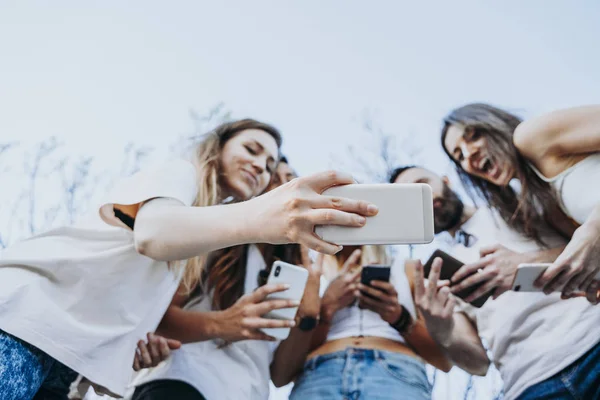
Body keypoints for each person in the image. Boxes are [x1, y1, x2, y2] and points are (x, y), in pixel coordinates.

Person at [0, 119, 378, 399]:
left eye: (269, 163)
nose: (261, 167)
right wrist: (266, 217)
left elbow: (142, 307)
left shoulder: (193, 247)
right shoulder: (181, 175)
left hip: (67, 363)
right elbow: (153, 233)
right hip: (26, 319)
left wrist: (137, 346)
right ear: (218, 147)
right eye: (251, 149)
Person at [392, 165, 600, 400]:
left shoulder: (513, 202)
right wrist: (441, 329)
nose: (424, 198)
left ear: (446, 180)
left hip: (592, 342)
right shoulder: (439, 276)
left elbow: (591, 246)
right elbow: (478, 365)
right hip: (529, 384)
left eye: (422, 184)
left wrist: (524, 263)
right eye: (411, 197)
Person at [127, 157, 323, 400]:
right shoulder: (220, 238)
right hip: (183, 383)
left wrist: (309, 316)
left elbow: (281, 376)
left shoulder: (296, 273)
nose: (287, 187)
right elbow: (159, 316)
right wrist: (224, 323)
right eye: (276, 179)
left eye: (291, 180)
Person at [440, 103, 600, 302]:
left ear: (494, 124)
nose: (469, 154)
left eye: (473, 136)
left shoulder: (531, 136)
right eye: (459, 156)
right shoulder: (544, 202)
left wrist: (595, 229)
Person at [287, 244, 453, 400]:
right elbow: (286, 369)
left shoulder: (406, 269)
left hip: (396, 371)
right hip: (319, 373)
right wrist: (325, 310)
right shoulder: (311, 273)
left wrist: (398, 317)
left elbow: (443, 361)